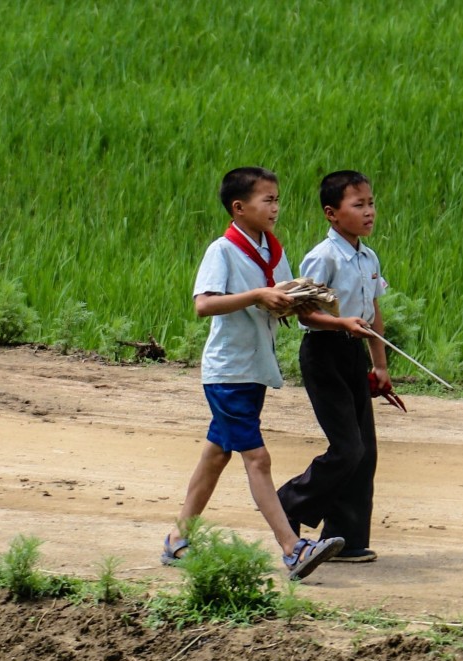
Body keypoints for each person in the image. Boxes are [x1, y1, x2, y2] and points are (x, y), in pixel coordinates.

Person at [162, 166, 344, 580]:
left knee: (217, 454)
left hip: (254, 368)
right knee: (257, 458)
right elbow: (203, 305)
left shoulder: (273, 252)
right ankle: (292, 548)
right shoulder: (222, 251)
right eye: (268, 199)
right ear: (239, 208)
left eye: (277, 199)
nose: (276, 206)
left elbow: (281, 301)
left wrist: (303, 304)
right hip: (228, 370)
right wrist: (259, 295)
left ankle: (178, 538)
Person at [277, 170, 389, 564]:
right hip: (323, 354)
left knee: (366, 452)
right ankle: (288, 501)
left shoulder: (368, 256)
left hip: (352, 356)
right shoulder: (322, 257)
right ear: (331, 213)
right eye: (358, 205)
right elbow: (305, 313)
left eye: (371, 203)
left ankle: (347, 537)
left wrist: (380, 366)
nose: (369, 212)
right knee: (347, 448)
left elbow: (374, 312)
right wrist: (340, 323)